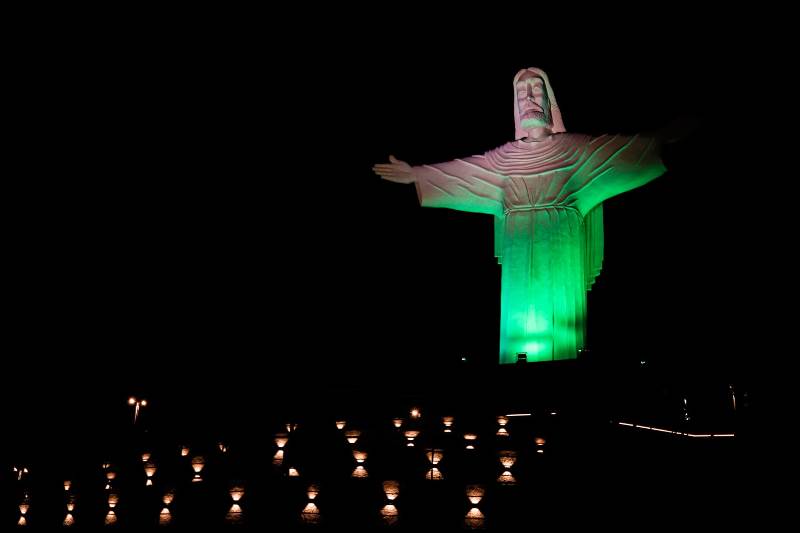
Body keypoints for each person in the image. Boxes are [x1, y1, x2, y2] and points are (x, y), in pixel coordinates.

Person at [373, 67, 674, 364]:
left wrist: (660, 141)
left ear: (548, 102)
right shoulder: (503, 159)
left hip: (562, 247)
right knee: (520, 336)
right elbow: (463, 173)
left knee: (563, 332)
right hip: (520, 252)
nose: (528, 97)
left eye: (536, 90)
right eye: (521, 92)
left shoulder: (576, 150)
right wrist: (416, 174)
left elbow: (621, 152)